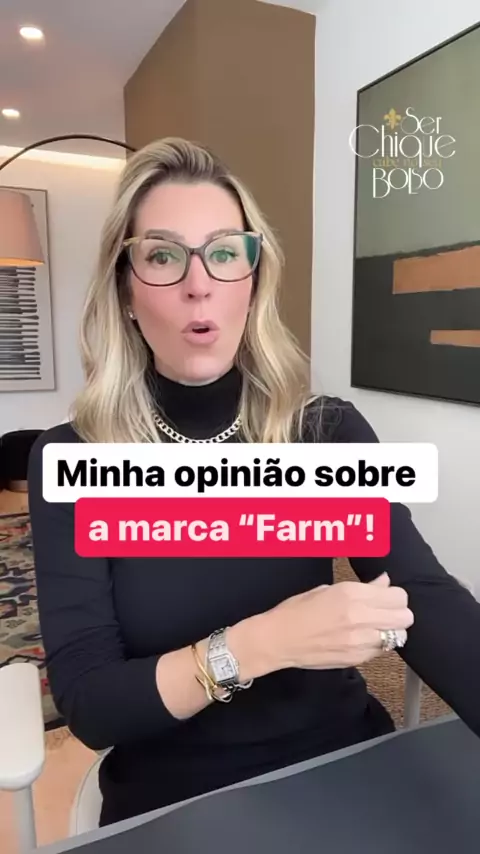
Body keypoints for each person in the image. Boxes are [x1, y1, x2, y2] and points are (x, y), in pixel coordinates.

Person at [28, 137, 480, 828]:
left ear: (252, 280)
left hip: (340, 759)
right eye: (162, 256)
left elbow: (421, 593)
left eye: (224, 253)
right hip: (176, 796)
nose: (198, 283)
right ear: (125, 290)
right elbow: (91, 702)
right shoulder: (71, 461)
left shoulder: (326, 432)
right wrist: (262, 644)